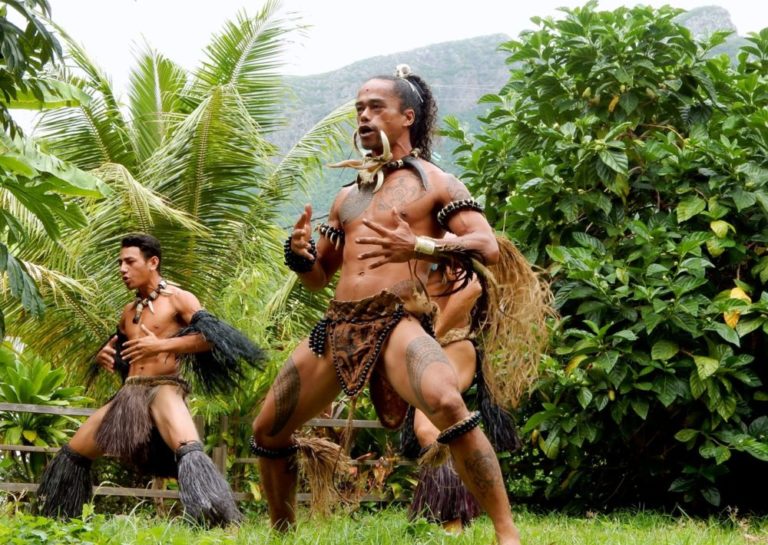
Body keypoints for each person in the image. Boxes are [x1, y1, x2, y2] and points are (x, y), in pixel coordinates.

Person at [250, 65, 524, 544]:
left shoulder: (437, 182)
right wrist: (299, 258)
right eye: (358, 107)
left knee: (446, 403)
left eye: (376, 106)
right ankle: (282, 534)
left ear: (407, 116)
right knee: (268, 429)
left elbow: (487, 246)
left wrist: (420, 247)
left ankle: (506, 535)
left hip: (396, 321)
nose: (363, 115)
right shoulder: (344, 198)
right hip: (337, 327)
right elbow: (320, 278)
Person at [37, 233, 264, 526]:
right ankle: (58, 522)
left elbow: (212, 338)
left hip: (164, 389)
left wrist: (163, 345)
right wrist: (106, 355)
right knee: (73, 454)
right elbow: (122, 349)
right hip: (129, 395)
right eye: (120, 262)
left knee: (189, 451)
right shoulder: (129, 312)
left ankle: (219, 524)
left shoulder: (179, 299)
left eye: (129, 262)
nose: (122, 269)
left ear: (153, 262)